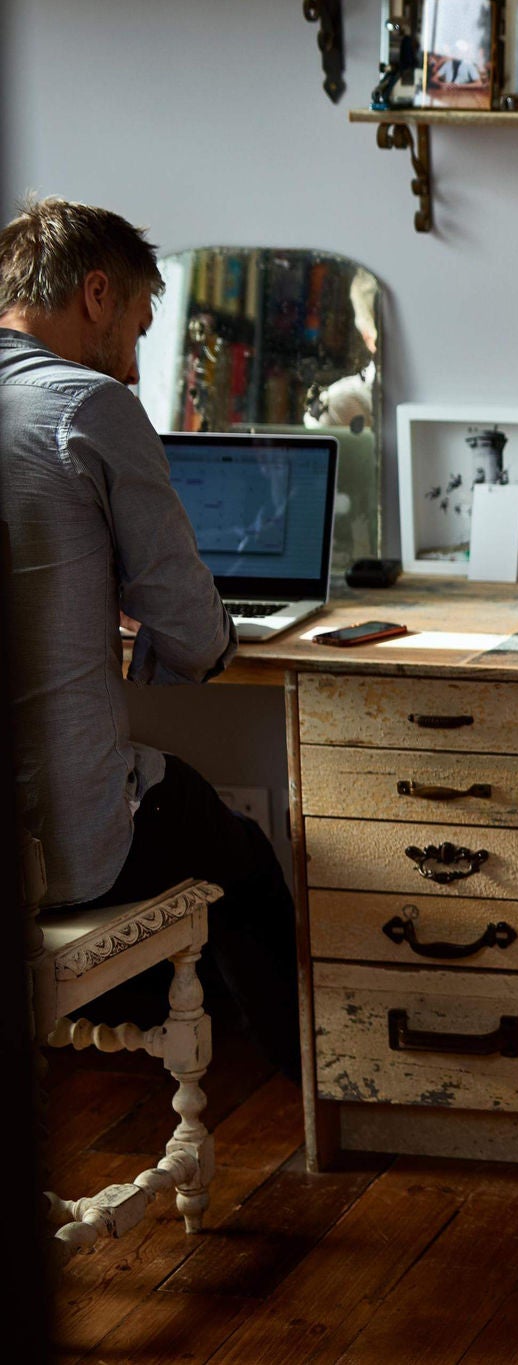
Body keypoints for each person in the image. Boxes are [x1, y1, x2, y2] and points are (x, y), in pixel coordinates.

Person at [0, 195, 301, 1076]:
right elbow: (197, 635)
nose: (133, 367)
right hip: (63, 850)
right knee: (244, 854)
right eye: (134, 327)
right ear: (94, 294)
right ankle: (312, 1099)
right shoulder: (86, 404)